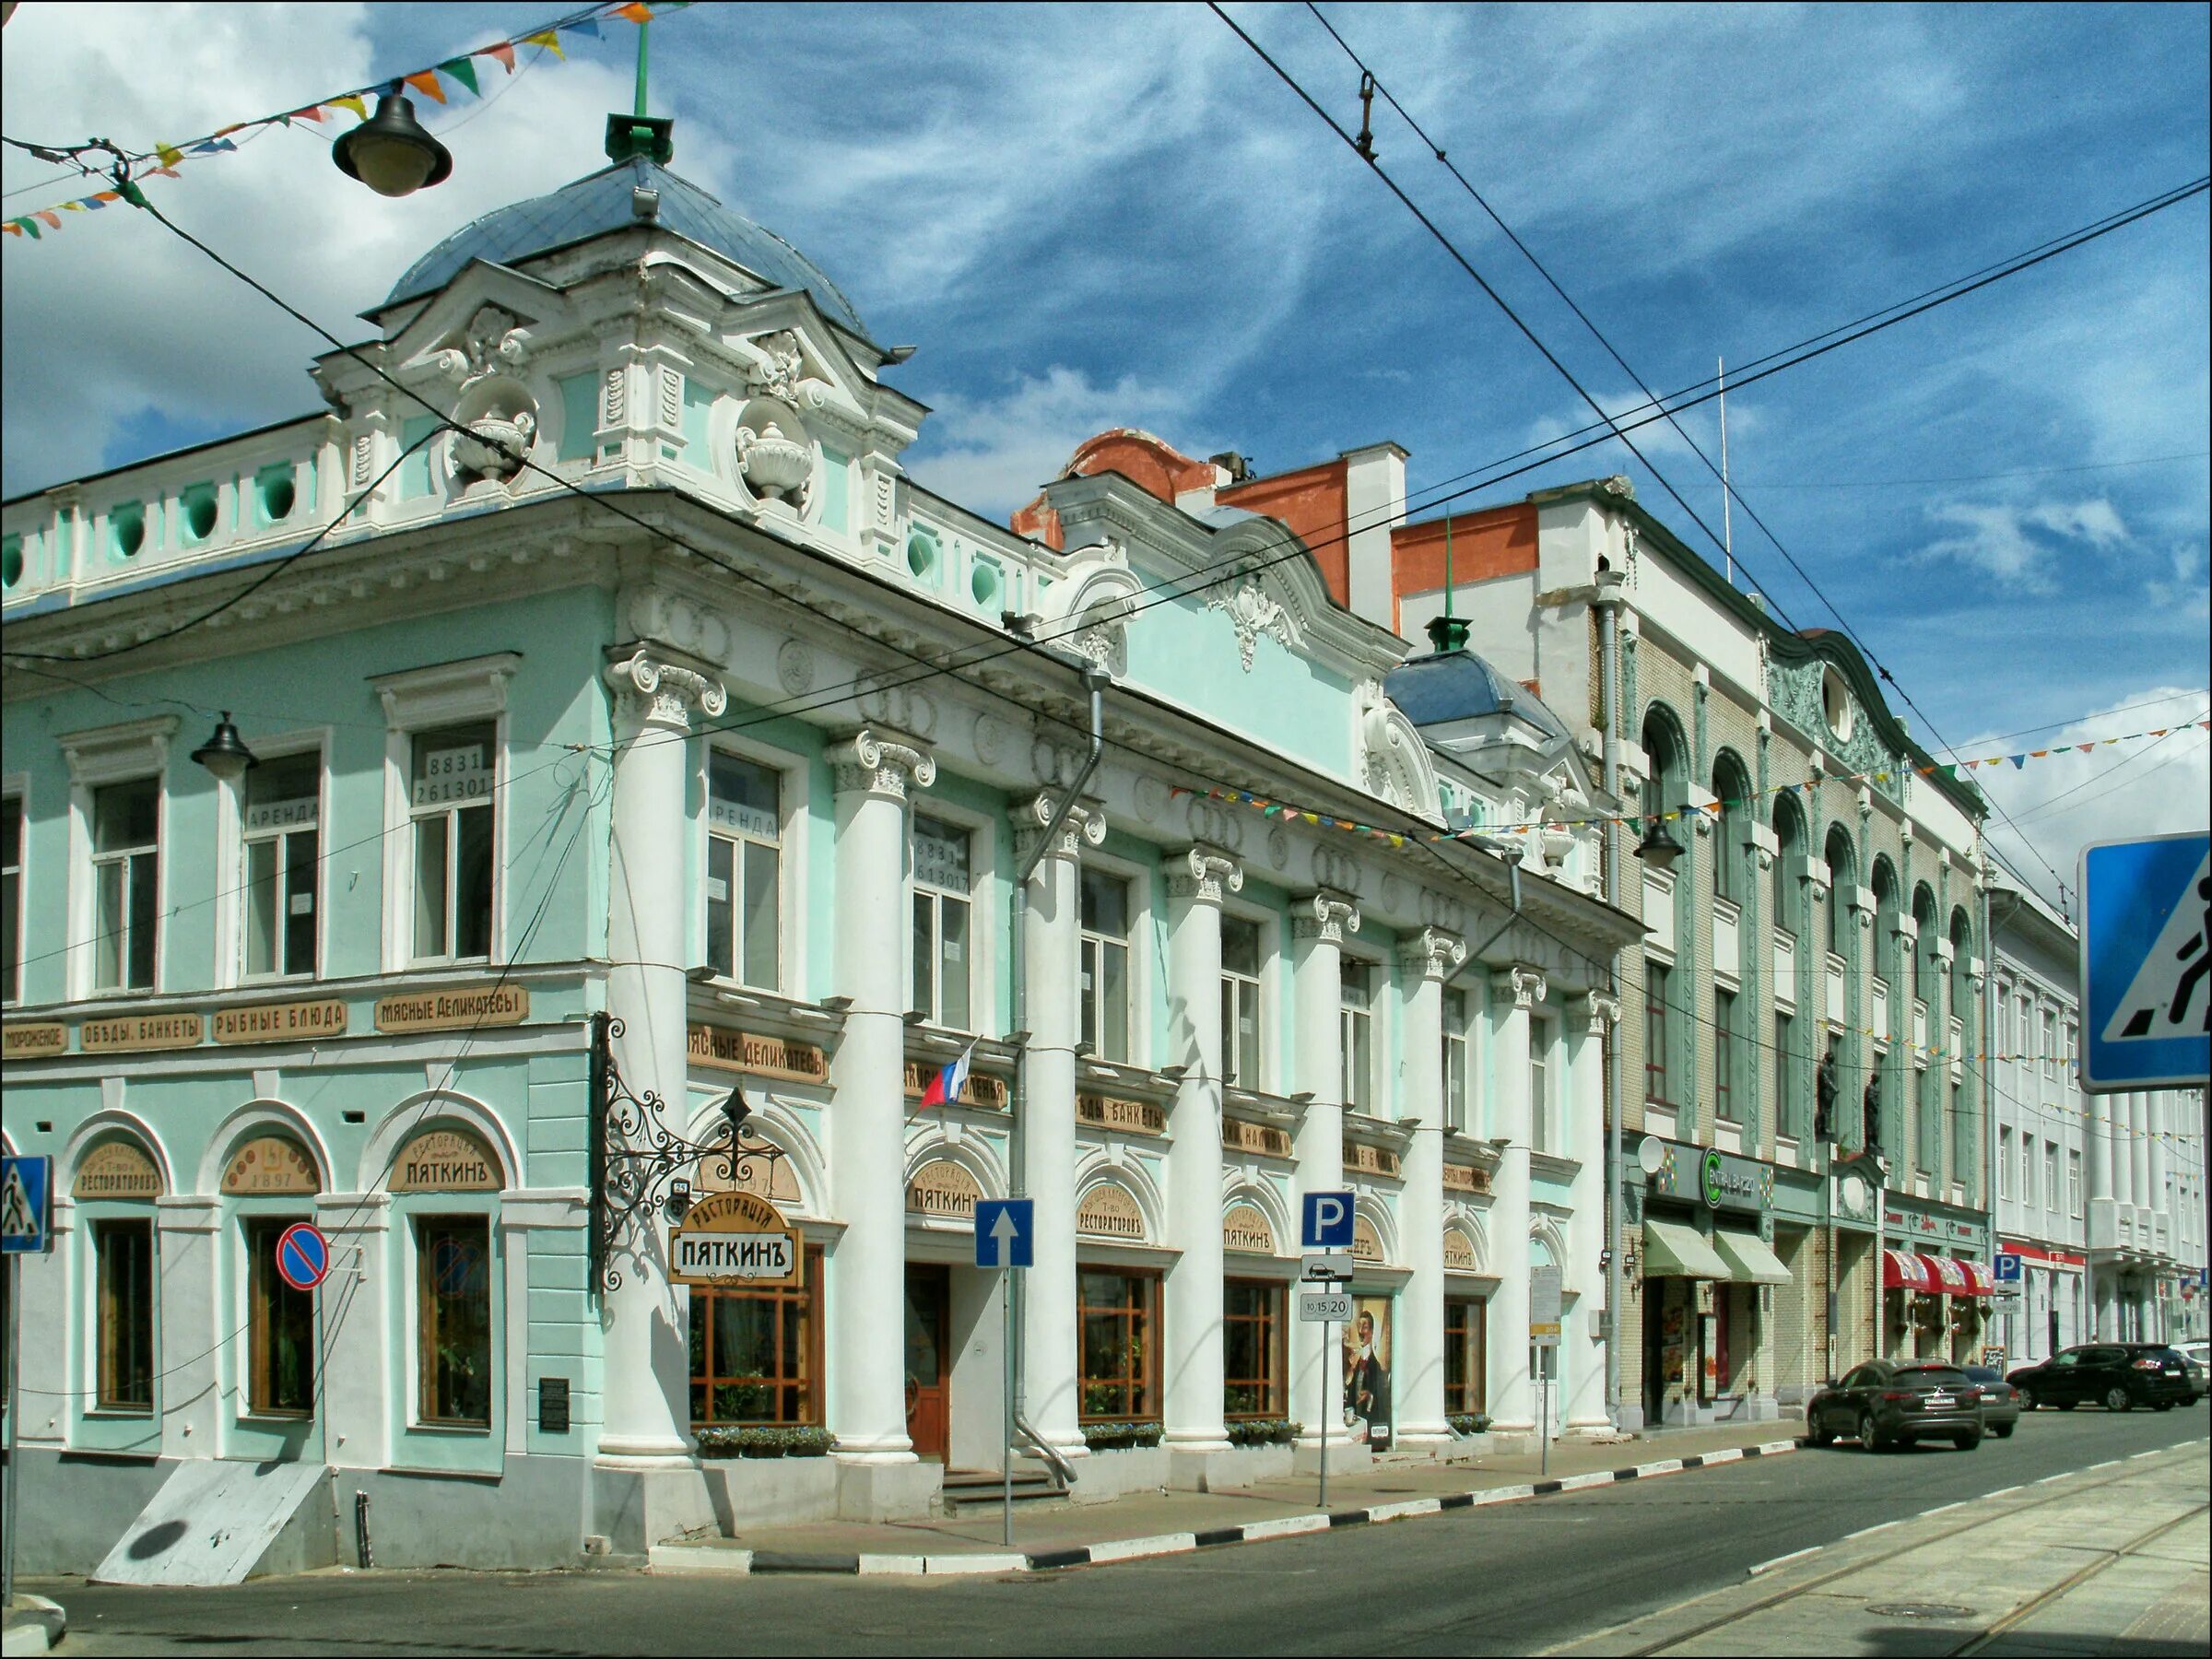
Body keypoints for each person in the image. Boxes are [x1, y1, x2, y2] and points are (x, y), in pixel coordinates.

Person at [1345, 1309, 1391, 1442]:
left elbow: (1380, 1391)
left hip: (1370, 1415)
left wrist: (1369, 1395)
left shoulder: (1375, 1364)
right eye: (1359, 1327)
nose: (1360, 1332)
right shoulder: (1357, 1361)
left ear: (1371, 1331)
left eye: (1364, 1327)